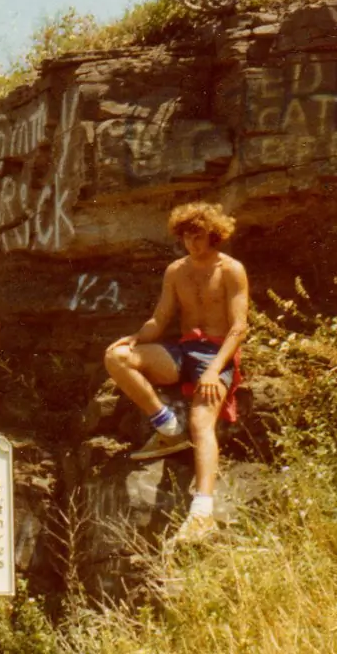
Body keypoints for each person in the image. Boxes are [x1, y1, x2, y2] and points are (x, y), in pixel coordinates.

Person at [103, 202, 249, 539]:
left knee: (201, 422)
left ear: (214, 235)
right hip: (183, 351)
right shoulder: (175, 271)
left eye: (198, 237)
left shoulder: (231, 270)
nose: (193, 244)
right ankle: (167, 425)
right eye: (186, 237)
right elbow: (161, 318)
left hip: (216, 354)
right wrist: (136, 338)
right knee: (117, 358)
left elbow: (239, 328)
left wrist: (214, 371)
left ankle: (202, 511)